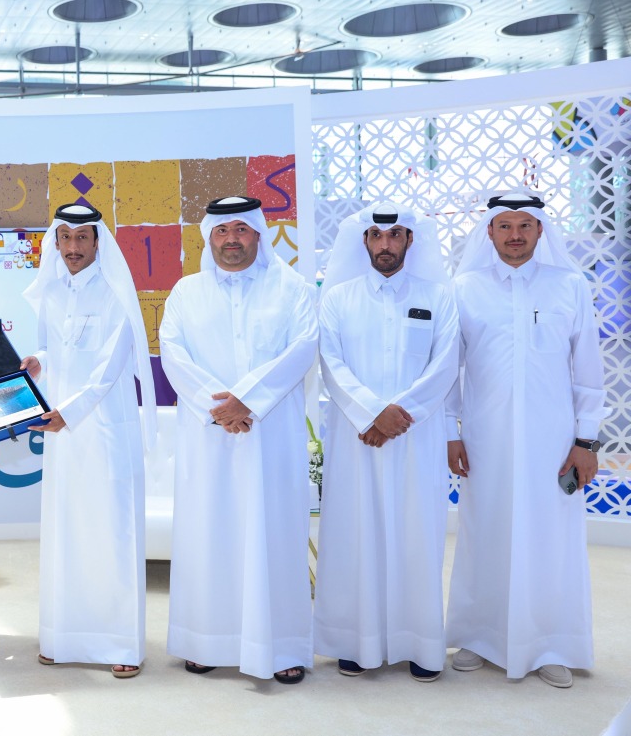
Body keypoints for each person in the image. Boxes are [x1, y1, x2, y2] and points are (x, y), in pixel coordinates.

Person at [445, 193, 607, 689]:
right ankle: (478, 636)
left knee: (550, 540)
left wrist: (587, 441)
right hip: (484, 437)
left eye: (525, 226)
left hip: (552, 441)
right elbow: (450, 370)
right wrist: (451, 432)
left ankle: (551, 643)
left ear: (540, 232)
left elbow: (588, 372)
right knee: (484, 531)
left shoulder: (569, 286)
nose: (515, 235)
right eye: (504, 226)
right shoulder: (464, 288)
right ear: (489, 233)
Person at [159, 196, 318, 684]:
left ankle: (283, 646)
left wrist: (247, 401)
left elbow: (303, 349)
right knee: (210, 534)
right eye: (222, 231)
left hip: (271, 437)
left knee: (275, 536)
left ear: (259, 234)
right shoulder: (186, 292)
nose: (232, 239)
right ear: (210, 237)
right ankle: (206, 641)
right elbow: (173, 353)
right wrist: (221, 409)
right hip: (210, 439)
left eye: (242, 230)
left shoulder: (291, 288)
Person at [314, 202, 459, 682]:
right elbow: (330, 363)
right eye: (377, 236)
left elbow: (445, 364)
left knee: (417, 537)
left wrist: (400, 415)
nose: (386, 244)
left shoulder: (438, 297)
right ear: (365, 243)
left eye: (395, 235)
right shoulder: (338, 298)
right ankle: (357, 642)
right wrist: (372, 413)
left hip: (415, 437)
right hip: (357, 440)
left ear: (410, 242)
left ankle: (419, 643)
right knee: (356, 535)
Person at [20, 203, 156, 679]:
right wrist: (36, 363)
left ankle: (120, 643)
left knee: (111, 534)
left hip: (102, 432)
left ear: (98, 242)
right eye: (66, 238)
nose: (74, 248)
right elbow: (49, 348)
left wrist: (68, 413)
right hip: (62, 436)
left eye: (83, 238)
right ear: (55, 243)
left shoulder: (117, 291)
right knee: (65, 533)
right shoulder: (51, 292)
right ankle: (62, 637)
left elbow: (108, 369)